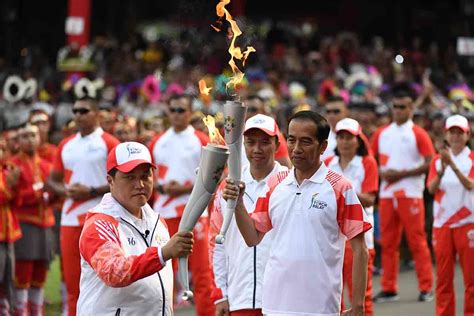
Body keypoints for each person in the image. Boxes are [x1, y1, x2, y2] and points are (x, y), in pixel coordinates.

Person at [223, 111, 371, 315]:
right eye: (292, 140)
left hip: (320, 306)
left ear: (323, 147)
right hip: (275, 305)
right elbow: (252, 237)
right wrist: (238, 203)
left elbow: (360, 250)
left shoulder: (339, 187)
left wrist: (358, 305)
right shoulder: (275, 184)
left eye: (306, 142)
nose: (297, 149)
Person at [77, 142, 194, 315]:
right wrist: (162, 254)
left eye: (145, 176)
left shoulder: (157, 220)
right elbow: (114, 272)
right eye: (130, 177)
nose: (139, 184)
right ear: (110, 181)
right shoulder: (100, 224)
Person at [209, 114, 288, 316]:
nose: (257, 149)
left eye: (265, 142)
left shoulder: (289, 184)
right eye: (251, 142)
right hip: (240, 296)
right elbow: (216, 242)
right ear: (243, 145)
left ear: (277, 144)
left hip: (284, 296)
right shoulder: (228, 186)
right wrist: (220, 294)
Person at [47, 98, 120, 316]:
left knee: (107, 279)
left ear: (97, 114)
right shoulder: (65, 144)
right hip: (71, 219)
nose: (78, 115)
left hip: (103, 217)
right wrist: (65, 191)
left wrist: (90, 192)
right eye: (75, 111)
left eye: (84, 111)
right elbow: (52, 180)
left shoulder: (109, 143)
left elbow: (122, 181)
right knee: (72, 281)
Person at [149, 94, 215, 315]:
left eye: (181, 110)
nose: (177, 114)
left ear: (190, 113)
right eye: (173, 110)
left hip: (195, 212)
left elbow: (215, 175)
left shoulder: (201, 140)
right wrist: (161, 187)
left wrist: (185, 189)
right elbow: (149, 176)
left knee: (202, 271)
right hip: (164, 213)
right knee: (163, 270)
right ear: (168, 112)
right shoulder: (158, 142)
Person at [371, 83, 435, 303]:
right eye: (395, 107)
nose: (398, 110)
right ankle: (389, 288)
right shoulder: (382, 133)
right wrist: (381, 172)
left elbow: (431, 162)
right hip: (388, 195)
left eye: (403, 107)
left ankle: (426, 286)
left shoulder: (418, 133)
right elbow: (370, 161)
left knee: (417, 241)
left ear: (411, 109)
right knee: (388, 243)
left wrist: (402, 174)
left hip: (410, 193)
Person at [324, 118, 378, 316]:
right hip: (334, 237)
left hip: (361, 237)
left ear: (358, 140)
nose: (345, 142)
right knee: (333, 293)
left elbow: (370, 198)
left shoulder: (367, 163)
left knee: (361, 296)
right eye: (341, 137)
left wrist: (343, 192)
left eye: (350, 138)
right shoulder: (328, 163)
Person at [427, 114, 474, 316]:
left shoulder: (472, 159)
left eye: (459, 133)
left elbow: (470, 184)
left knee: (471, 279)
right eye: (452, 132)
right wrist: (441, 170)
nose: (455, 136)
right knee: (444, 279)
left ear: (467, 135)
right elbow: (430, 189)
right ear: (446, 134)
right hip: (443, 224)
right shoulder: (438, 161)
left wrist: (452, 166)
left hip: (467, 223)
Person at [9, 124, 55, 315]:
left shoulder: (47, 165)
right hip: (25, 225)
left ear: (39, 138)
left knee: (40, 275)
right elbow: (12, 195)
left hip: (46, 224)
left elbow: (55, 192)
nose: (30, 140)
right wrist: (38, 192)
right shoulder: (12, 165)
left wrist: (49, 193)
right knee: (22, 276)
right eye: (25, 136)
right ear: (18, 141)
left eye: (33, 135)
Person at [0, 137, 21, 315]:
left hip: (8, 231)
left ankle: (7, 308)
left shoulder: (7, 171)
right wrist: (12, 186)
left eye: (2, 149)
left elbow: (17, 202)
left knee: (8, 275)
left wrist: (15, 187)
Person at [244, 95, 291, 168]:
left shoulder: (274, 135)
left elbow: (286, 167)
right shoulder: (235, 135)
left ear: (264, 111)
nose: (249, 113)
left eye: (253, 110)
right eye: (246, 110)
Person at [321, 95, 349, 160]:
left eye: (336, 111)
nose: (331, 115)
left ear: (346, 112)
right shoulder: (320, 135)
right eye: (328, 112)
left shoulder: (355, 135)